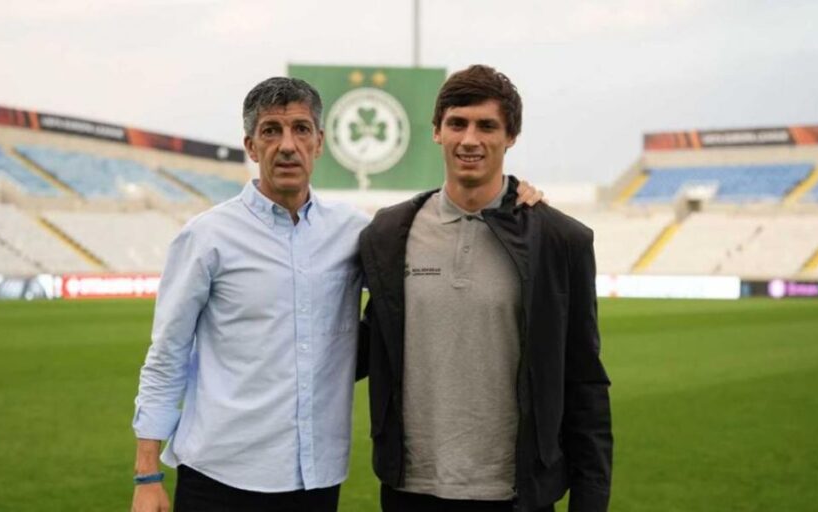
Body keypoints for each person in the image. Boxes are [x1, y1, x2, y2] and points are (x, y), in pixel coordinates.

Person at [130, 76, 543, 512]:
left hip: (317, 479)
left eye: (301, 129)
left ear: (320, 142)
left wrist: (514, 197)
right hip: (221, 475)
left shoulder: (355, 232)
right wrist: (147, 475)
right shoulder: (206, 237)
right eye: (271, 131)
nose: (287, 145)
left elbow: (432, 262)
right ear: (251, 146)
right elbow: (166, 357)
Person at [358, 65, 613, 512]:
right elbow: (360, 343)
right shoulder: (388, 232)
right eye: (457, 123)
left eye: (487, 126)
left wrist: (590, 499)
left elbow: (584, 379)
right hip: (410, 489)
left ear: (510, 135)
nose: (470, 140)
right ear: (437, 131)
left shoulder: (558, 240)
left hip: (516, 494)